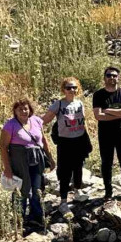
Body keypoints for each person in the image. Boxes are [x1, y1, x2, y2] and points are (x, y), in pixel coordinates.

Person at [1, 99, 55, 235]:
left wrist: (50, 158)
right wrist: (7, 168)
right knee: (22, 188)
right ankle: (19, 219)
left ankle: (36, 217)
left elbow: (43, 139)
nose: (24, 111)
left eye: (26, 109)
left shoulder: (36, 120)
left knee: (37, 188)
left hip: (37, 158)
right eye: (20, 109)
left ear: (30, 109)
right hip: (19, 159)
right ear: (15, 112)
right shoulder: (10, 125)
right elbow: (3, 147)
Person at [42, 77, 90, 216]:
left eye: (74, 87)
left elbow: (83, 121)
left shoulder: (80, 103)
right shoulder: (58, 104)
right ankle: (63, 201)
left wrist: (87, 138)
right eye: (69, 87)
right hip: (65, 142)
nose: (72, 90)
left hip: (79, 140)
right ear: (63, 89)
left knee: (78, 166)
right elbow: (45, 120)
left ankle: (77, 191)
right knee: (65, 171)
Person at [92, 66, 121, 199]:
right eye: (109, 75)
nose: (112, 78)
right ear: (104, 78)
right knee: (106, 162)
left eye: (114, 75)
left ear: (118, 77)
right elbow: (98, 116)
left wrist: (108, 111)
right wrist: (119, 113)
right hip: (105, 134)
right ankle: (108, 191)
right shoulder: (98, 95)